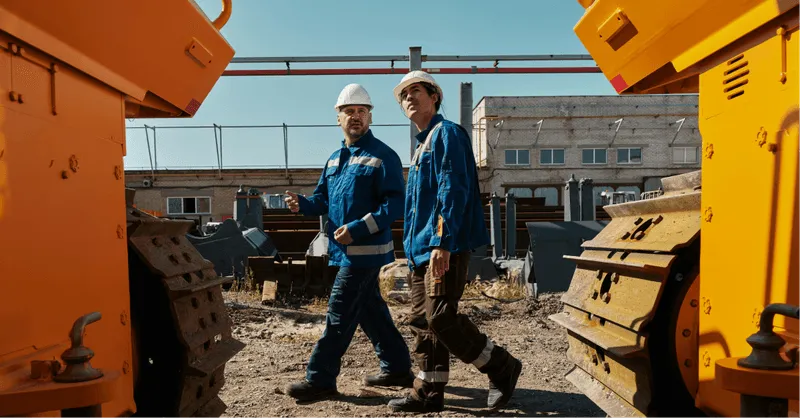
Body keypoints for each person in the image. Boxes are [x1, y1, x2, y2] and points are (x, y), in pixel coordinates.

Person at [387, 71, 522, 413]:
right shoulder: (422, 146)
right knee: (422, 321)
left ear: (434, 96)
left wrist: (442, 241)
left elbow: (453, 187)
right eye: (404, 95)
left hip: (441, 247)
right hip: (421, 251)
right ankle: (429, 392)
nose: (409, 98)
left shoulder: (447, 134)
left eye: (416, 91)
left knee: (441, 318)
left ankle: (501, 366)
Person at [283, 83, 414, 401]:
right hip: (344, 252)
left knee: (338, 315)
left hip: (365, 253)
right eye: (349, 111)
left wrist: (357, 228)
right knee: (371, 312)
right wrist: (303, 204)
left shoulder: (382, 156)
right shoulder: (334, 160)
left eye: (362, 111)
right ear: (338, 117)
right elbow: (322, 200)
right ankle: (397, 368)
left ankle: (320, 378)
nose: (355, 116)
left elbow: (395, 204)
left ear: (370, 117)